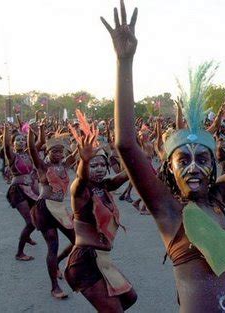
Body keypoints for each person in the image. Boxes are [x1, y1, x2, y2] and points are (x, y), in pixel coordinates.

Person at [101, 2, 225, 310]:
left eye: (203, 159)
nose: (194, 166)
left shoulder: (219, 198)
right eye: (184, 160)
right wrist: (123, 62)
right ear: (170, 169)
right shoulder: (167, 209)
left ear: (213, 166)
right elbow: (126, 143)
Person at [65, 122, 137, 312]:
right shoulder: (80, 192)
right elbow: (80, 179)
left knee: (130, 298)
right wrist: (85, 161)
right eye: (93, 165)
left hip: (102, 259)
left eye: (102, 165)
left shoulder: (103, 186)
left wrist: (136, 158)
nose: (98, 169)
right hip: (85, 262)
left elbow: (120, 178)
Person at [27, 125, 76, 299]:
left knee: (78, 241)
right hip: (44, 209)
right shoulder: (42, 165)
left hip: (60, 209)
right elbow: (32, 149)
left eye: (61, 151)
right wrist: (35, 134)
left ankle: (58, 264)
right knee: (52, 247)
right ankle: (54, 287)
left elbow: (79, 153)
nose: (59, 154)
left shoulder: (65, 164)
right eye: (55, 151)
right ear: (48, 152)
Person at [4, 125, 38, 261]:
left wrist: (35, 131)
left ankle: (27, 236)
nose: (21, 142)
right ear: (13, 143)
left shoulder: (28, 155)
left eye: (22, 140)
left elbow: (36, 144)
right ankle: (20, 253)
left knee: (36, 216)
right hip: (17, 190)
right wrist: (6, 131)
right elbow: (6, 147)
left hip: (30, 190)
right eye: (17, 140)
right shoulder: (12, 156)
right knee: (31, 222)